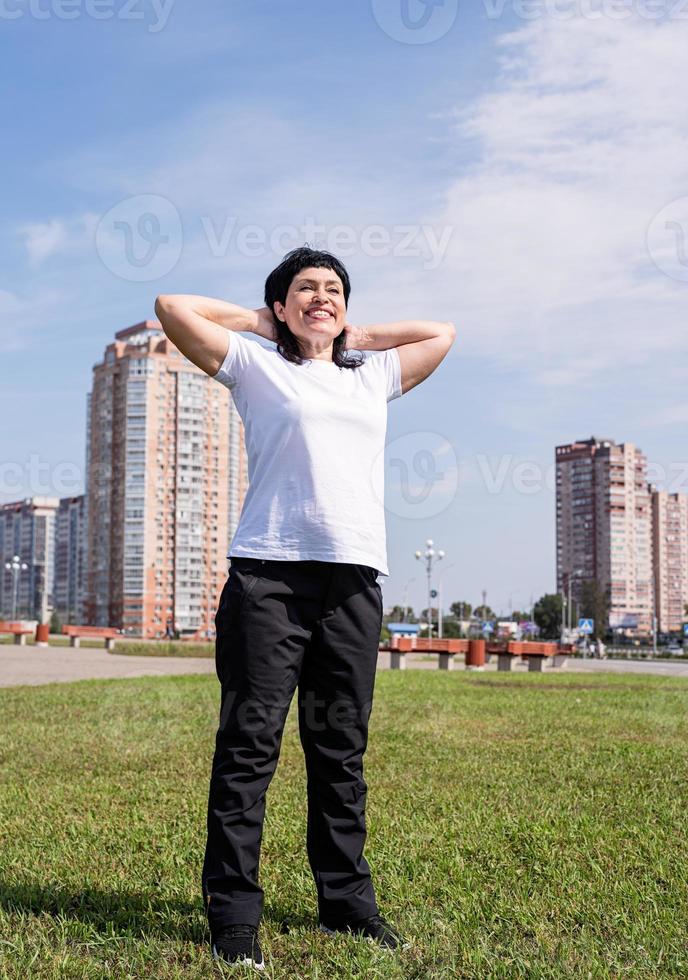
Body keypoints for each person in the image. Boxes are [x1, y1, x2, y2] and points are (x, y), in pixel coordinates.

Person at [155, 247, 456, 971]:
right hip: (269, 580)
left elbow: (441, 333)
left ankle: (347, 907)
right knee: (249, 749)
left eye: (334, 289)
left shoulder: (373, 376)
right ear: (280, 305)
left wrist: (348, 333)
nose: (321, 296)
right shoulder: (256, 367)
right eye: (305, 289)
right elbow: (172, 309)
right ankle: (233, 919)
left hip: (352, 584)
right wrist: (268, 322)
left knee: (340, 753)